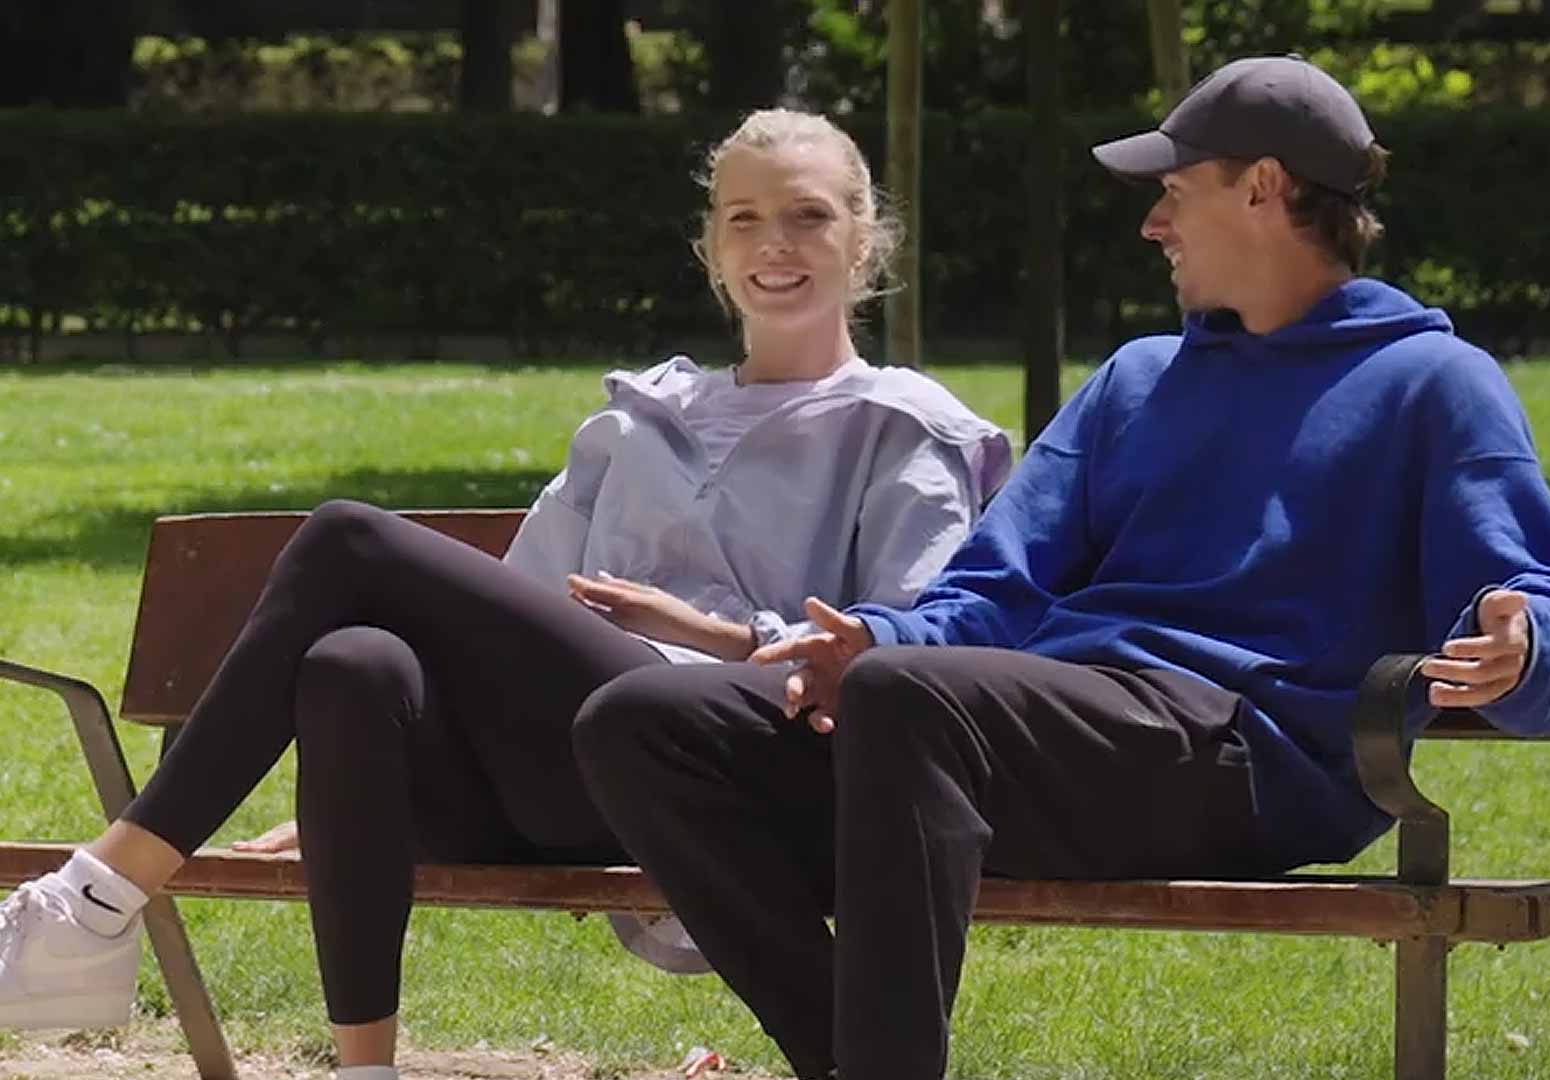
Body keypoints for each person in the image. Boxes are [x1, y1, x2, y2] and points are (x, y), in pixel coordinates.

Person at [567, 56, 1550, 1080]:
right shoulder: (1138, 380)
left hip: (1249, 758)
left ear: (1264, 189)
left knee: (905, 702)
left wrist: (1525, 642)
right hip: (1064, 741)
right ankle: (854, 1060)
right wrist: (879, 638)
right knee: (643, 725)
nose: (1151, 224)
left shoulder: (1431, 383)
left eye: (1175, 193)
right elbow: (995, 588)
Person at [0, 108, 1011, 1080]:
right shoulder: (635, 422)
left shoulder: (906, 432)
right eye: (743, 218)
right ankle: (365, 1072)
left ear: (864, 239)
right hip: (550, 773)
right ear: (710, 247)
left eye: (808, 216)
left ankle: (93, 901)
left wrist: (712, 632)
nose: (773, 243)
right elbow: (504, 619)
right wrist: (361, 776)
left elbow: (906, 658)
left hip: (721, 779)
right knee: (352, 665)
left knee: (349, 537)